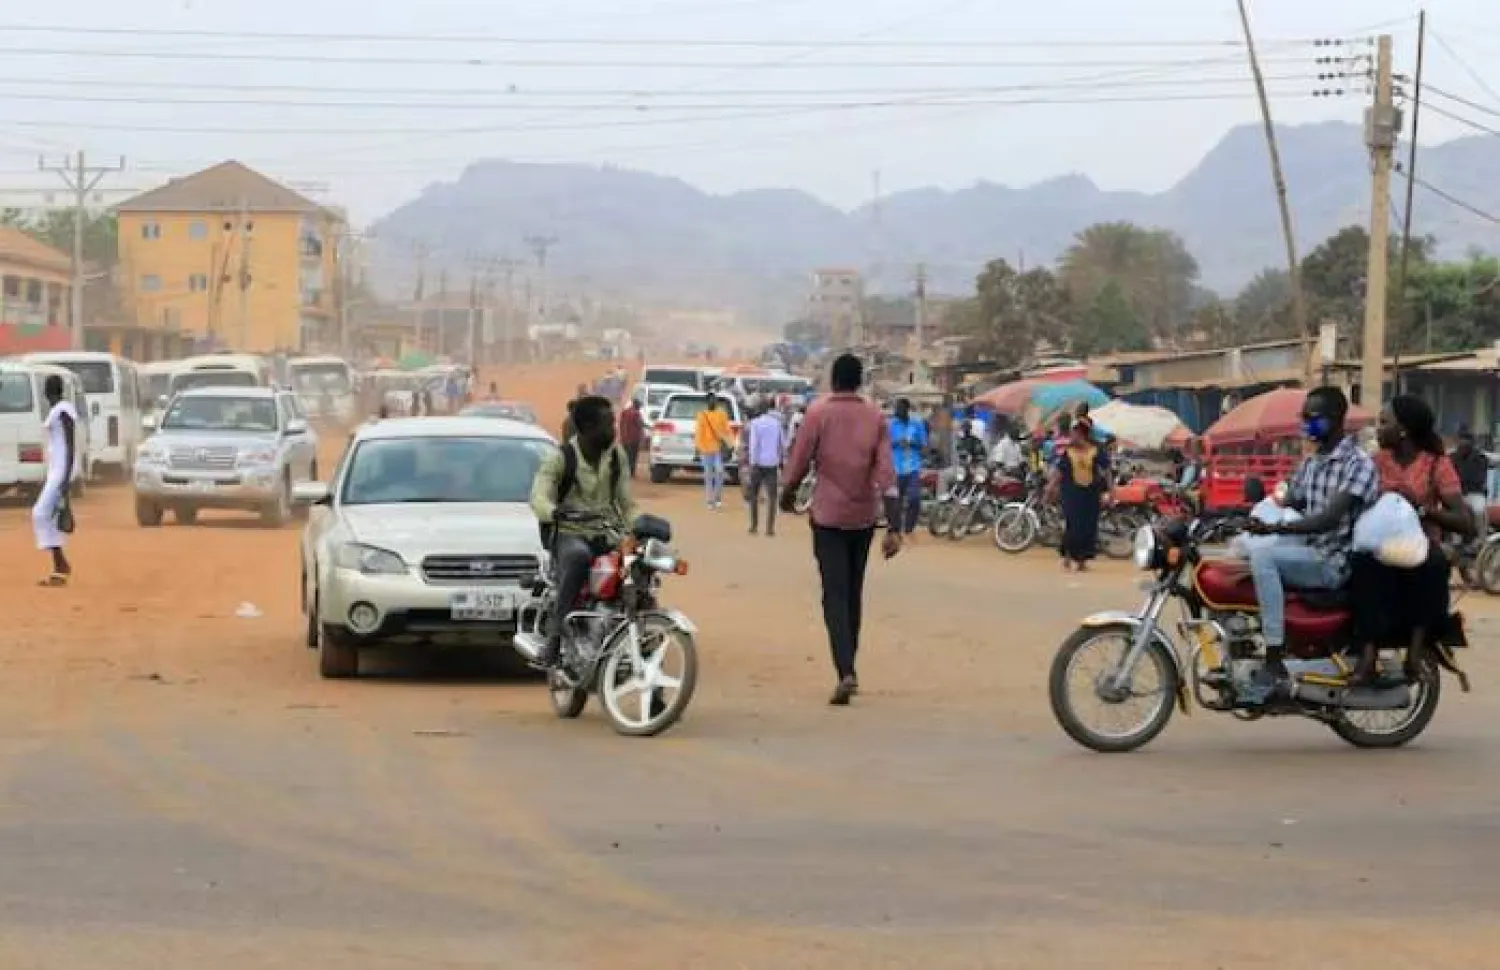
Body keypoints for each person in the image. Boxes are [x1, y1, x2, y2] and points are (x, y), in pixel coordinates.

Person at [781, 354, 900, 706]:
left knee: (834, 592)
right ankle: (849, 663)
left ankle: (845, 669)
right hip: (863, 518)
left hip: (828, 517)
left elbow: (800, 459)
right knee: (853, 591)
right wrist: (893, 526)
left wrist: (787, 494)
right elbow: (887, 474)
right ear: (860, 381)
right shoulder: (875, 416)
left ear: (833, 380)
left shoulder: (818, 413)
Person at [1245, 386, 1378, 702]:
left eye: (1312, 418)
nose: (1305, 424)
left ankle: (1274, 657)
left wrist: (1275, 527)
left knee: (1264, 557)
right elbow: (1291, 498)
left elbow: (1329, 518)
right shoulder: (1313, 462)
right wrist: (1248, 513)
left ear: (1335, 419)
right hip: (1307, 548)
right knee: (1244, 556)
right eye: (1303, 417)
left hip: (1332, 560)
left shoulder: (1357, 464)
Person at [1350, 396, 1473, 683]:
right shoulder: (1375, 463)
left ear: (1403, 429)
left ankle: (1416, 652)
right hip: (1380, 544)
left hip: (1419, 545)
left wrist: (1421, 508)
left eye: (1384, 423)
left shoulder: (1436, 465)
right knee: (1362, 563)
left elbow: (1464, 520)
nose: (1378, 430)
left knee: (1433, 564)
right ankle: (1368, 656)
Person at [528, 395, 637, 668]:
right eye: (608, 424)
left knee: (642, 566)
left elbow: (626, 503)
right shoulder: (561, 458)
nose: (614, 430)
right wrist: (552, 511)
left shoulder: (617, 457)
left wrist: (640, 526)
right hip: (570, 532)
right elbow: (538, 496)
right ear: (587, 428)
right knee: (578, 557)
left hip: (607, 532)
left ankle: (642, 636)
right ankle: (554, 640)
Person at [1048, 415, 1112, 572]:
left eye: (1074, 433)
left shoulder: (1095, 451)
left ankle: (1082, 560)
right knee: (1073, 526)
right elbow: (1059, 472)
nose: (1071, 436)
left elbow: (1107, 470)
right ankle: (1068, 558)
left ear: (1082, 434)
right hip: (1071, 493)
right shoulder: (1068, 452)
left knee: (1088, 527)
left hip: (1090, 494)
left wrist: (1111, 490)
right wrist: (1050, 487)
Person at [33, 375, 77, 587]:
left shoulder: (63, 411)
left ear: (47, 391)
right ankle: (59, 566)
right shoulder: (58, 410)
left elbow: (70, 445)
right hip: (56, 470)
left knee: (40, 513)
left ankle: (61, 564)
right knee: (47, 515)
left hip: (61, 471)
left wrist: (66, 477)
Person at [888, 398, 928, 539]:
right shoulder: (891, 425)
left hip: (913, 467)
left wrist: (912, 443)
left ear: (906, 409)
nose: (896, 411)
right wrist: (897, 442)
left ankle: (909, 527)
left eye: (899, 408)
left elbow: (924, 447)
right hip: (896, 468)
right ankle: (896, 530)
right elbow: (884, 446)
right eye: (895, 408)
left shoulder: (917, 424)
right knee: (896, 501)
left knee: (915, 498)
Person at [745, 399, 785, 536]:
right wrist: (781, 459)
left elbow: (754, 445)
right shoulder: (776, 423)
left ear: (758, 410)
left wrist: (752, 462)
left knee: (754, 495)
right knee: (772, 497)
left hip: (758, 463)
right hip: (772, 464)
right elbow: (782, 444)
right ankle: (770, 528)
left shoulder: (755, 424)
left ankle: (754, 525)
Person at [694, 394, 733, 510]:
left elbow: (727, 430)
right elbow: (698, 432)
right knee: (708, 476)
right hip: (705, 450)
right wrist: (698, 448)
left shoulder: (721, 414)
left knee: (720, 472)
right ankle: (710, 501)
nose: (712, 402)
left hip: (717, 449)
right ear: (707, 402)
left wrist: (731, 444)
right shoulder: (702, 415)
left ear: (716, 402)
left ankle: (717, 498)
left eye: (714, 400)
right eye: (710, 401)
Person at [1451, 427, 1489, 546]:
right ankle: (1455, 541)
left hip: (1475, 492)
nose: (1463, 443)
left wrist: (1461, 480)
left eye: (1466, 440)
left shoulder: (1480, 458)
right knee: (1451, 509)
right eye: (1461, 439)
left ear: (1471, 442)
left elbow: (1479, 479)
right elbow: (1448, 477)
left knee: (1479, 509)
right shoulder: (1452, 457)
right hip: (1457, 492)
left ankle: (1482, 541)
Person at [618, 398, 645, 479]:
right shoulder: (636, 413)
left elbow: (621, 424)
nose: (640, 408)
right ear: (636, 405)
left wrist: (621, 435)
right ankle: (631, 473)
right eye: (639, 406)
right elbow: (640, 424)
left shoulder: (625, 412)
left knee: (625, 456)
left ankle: (623, 472)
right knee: (633, 456)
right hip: (634, 438)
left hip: (624, 438)